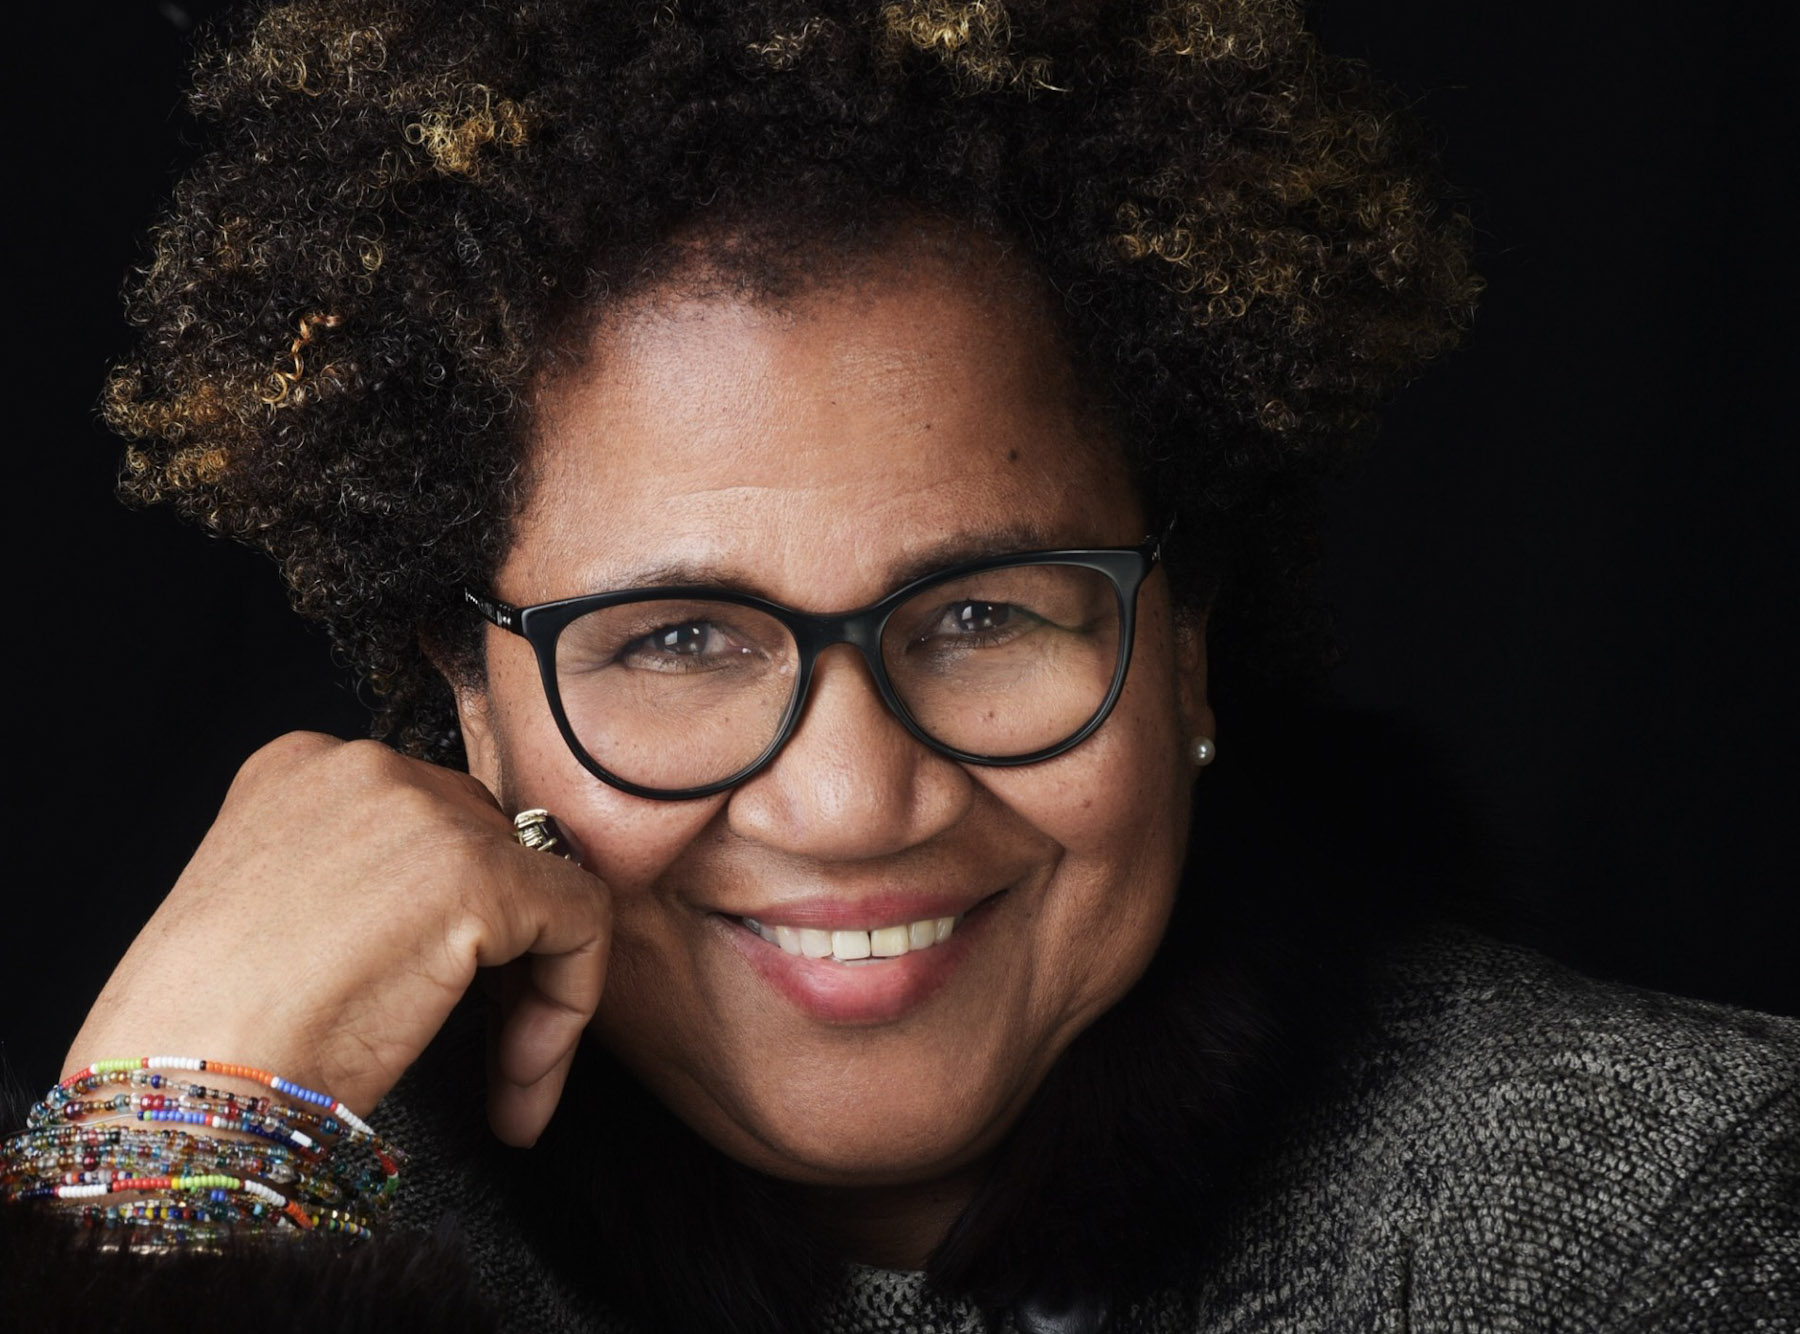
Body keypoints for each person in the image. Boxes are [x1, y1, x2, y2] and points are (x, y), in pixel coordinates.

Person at [3, 1, 1795, 1331]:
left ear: (1188, 647)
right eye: (682, 639)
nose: (852, 797)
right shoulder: (272, 1196)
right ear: (473, 703)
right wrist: (166, 1162)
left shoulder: (1658, 1209)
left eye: (983, 614)